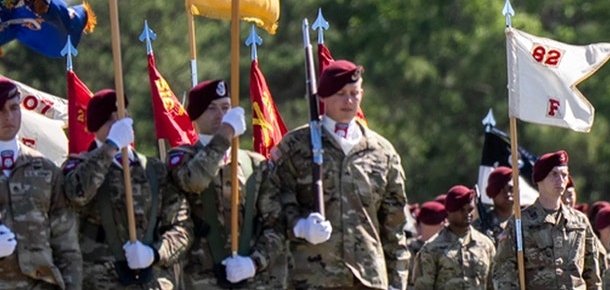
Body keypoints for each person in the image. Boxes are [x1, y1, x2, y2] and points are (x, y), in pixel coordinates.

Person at [274, 59, 410, 289]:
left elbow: (394, 226)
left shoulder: (382, 152)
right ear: (323, 96)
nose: (348, 100)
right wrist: (300, 226)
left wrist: (397, 282)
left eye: (354, 93)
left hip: (368, 278)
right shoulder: (296, 146)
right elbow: (274, 202)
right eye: (340, 93)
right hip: (312, 277)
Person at [63, 89, 192, 289]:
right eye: (110, 119)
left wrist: (156, 253)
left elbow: (181, 226)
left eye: (123, 116)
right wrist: (111, 146)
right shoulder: (78, 167)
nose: (119, 123)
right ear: (96, 127)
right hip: (101, 280)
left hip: (152, 280)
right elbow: (76, 194)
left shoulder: (154, 170)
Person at [168, 79, 286, 289]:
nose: (220, 114)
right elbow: (194, 181)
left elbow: (275, 224)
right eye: (211, 108)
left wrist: (254, 262)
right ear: (195, 116)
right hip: (202, 280)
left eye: (225, 107)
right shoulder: (181, 158)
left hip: (254, 280)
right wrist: (225, 134)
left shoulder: (254, 164)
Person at [0, 77, 82, 289]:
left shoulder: (45, 170)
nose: (8, 117)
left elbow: (66, 244)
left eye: (13, 108)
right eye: (0, 110)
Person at [492, 150, 601, 290]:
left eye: (564, 175)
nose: (561, 180)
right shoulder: (520, 223)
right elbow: (503, 270)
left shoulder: (580, 221)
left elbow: (592, 271)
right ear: (540, 179)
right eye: (554, 174)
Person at [411, 185, 494, 290]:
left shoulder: (486, 245)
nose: (467, 214)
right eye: (461, 210)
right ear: (449, 212)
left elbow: (493, 283)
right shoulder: (431, 249)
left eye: (470, 209)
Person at [473, 167, 514, 242]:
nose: (508, 194)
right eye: (502, 190)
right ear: (492, 193)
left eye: (511, 189)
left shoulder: (525, 219)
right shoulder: (479, 226)